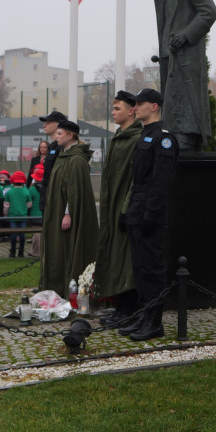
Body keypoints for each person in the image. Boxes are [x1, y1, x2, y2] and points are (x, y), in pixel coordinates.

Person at [113, 88, 179, 341]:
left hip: (150, 212)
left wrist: (150, 215)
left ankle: (154, 322)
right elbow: (136, 181)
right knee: (140, 268)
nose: (135, 107)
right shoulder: (145, 136)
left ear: (154, 107)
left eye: (140, 104)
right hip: (137, 210)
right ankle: (143, 314)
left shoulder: (163, 138)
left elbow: (161, 184)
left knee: (152, 269)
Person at [152, 0, 216, 152]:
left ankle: (187, 138)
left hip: (186, 53)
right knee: (173, 99)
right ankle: (179, 137)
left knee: (186, 98)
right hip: (171, 55)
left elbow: (209, 11)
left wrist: (187, 35)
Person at [97, 90, 144, 325]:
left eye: (118, 109)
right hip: (111, 208)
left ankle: (128, 310)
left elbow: (137, 179)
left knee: (126, 258)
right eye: (113, 108)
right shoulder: (118, 137)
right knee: (115, 255)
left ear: (131, 111)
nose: (113, 112)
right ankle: (120, 307)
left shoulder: (136, 139)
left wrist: (126, 208)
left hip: (125, 209)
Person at [39, 119, 99, 297]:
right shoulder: (63, 156)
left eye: (59, 134)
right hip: (55, 212)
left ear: (70, 135)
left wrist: (68, 213)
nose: (56, 137)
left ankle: (68, 289)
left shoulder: (77, 160)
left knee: (65, 249)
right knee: (57, 250)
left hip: (66, 215)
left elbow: (73, 190)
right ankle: (54, 287)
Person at [37, 111, 68, 196]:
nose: (44, 125)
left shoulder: (62, 147)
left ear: (58, 124)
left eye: (48, 122)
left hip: (55, 195)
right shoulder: (52, 147)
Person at [4, 171, 32, 257]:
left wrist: (5, 215)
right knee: (22, 234)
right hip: (23, 216)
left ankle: (12, 251)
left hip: (12, 216)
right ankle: (21, 251)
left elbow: (6, 205)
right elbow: (30, 204)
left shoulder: (9, 192)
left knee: (13, 234)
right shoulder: (26, 191)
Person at [27, 165, 44, 257]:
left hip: (34, 214)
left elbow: (28, 202)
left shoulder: (32, 189)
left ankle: (36, 251)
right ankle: (42, 250)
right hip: (44, 214)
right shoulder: (47, 189)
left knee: (36, 235)